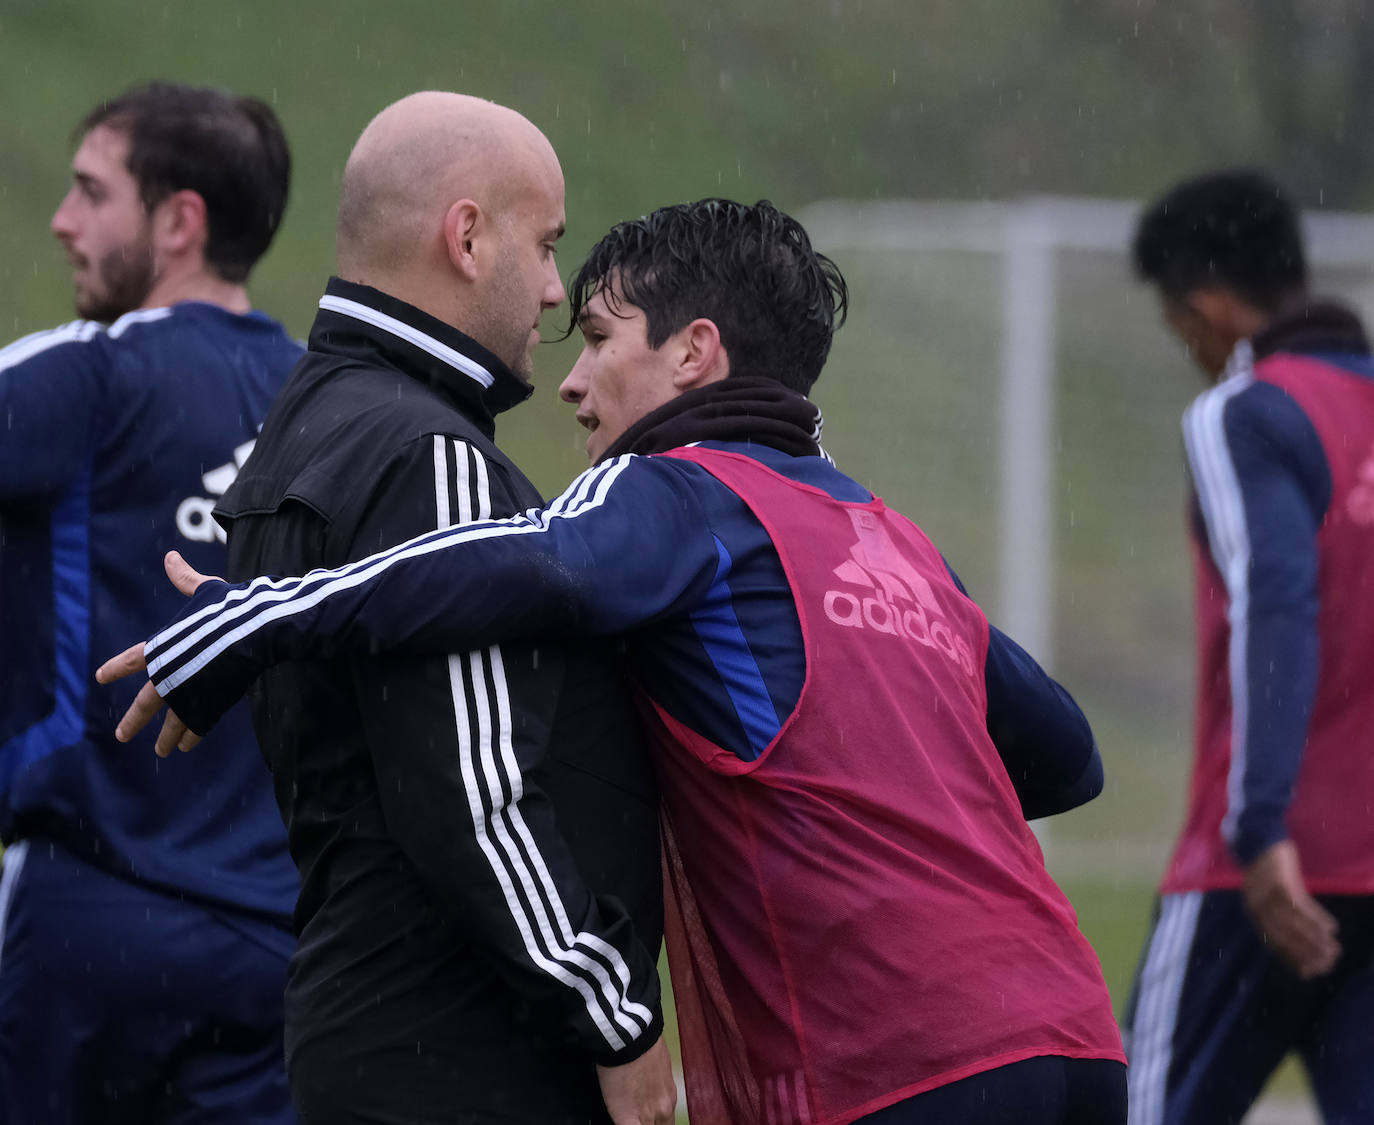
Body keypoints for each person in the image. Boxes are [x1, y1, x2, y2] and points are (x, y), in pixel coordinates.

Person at [107, 198, 1127, 1125]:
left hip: (896, 1068)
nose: (573, 384)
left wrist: (268, 614)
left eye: (597, 340)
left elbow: (521, 565)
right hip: (1074, 1037)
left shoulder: (674, 488)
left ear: (694, 353)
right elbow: (1066, 757)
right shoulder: (890, 538)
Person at [110, 91, 674, 1125]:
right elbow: (470, 794)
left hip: (362, 1028)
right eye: (546, 245)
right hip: (466, 1052)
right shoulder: (435, 457)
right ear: (466, 237)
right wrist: (615, 1011)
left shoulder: (308, 417)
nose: (554, 289)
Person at [0, 83, 301, 1122]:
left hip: (89, 916)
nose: (61, 220)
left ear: (180, 221)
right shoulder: (326, 403)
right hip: (279, 945)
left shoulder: (86, 375)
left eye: (92, 192)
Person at [1122, 169, 1374, 1125]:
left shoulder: (1245, 411)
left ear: (1211, 306)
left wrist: (1262, 825)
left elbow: (1278, 596)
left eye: (1179, 320)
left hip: (1260, 870)